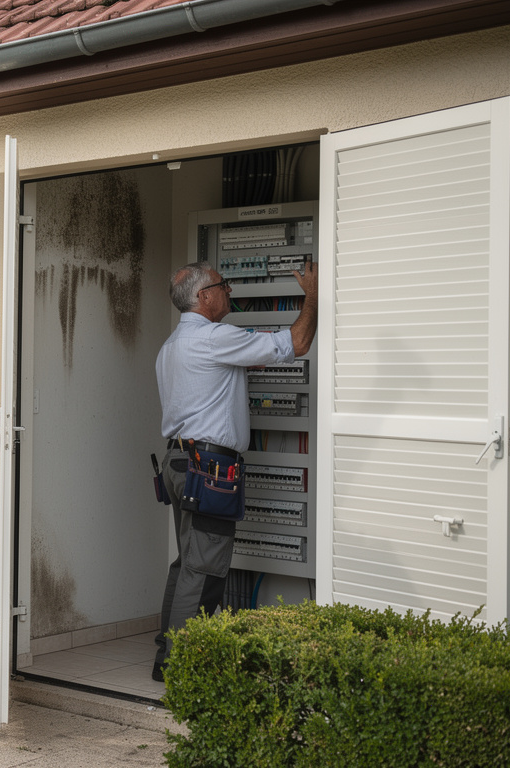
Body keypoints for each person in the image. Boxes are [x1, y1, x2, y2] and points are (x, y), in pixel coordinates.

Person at [151, 259, 318, 681]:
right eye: (224, 286)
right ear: (204, 297)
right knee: (203, 567)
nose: (230, 291)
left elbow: (239, 368)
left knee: (187, 560)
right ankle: (182, 665)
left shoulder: (172, 346)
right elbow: (297, 344)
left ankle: (165, 653)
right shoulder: (214, 338)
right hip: (208, 468)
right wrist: (314, 296)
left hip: (178, 462)